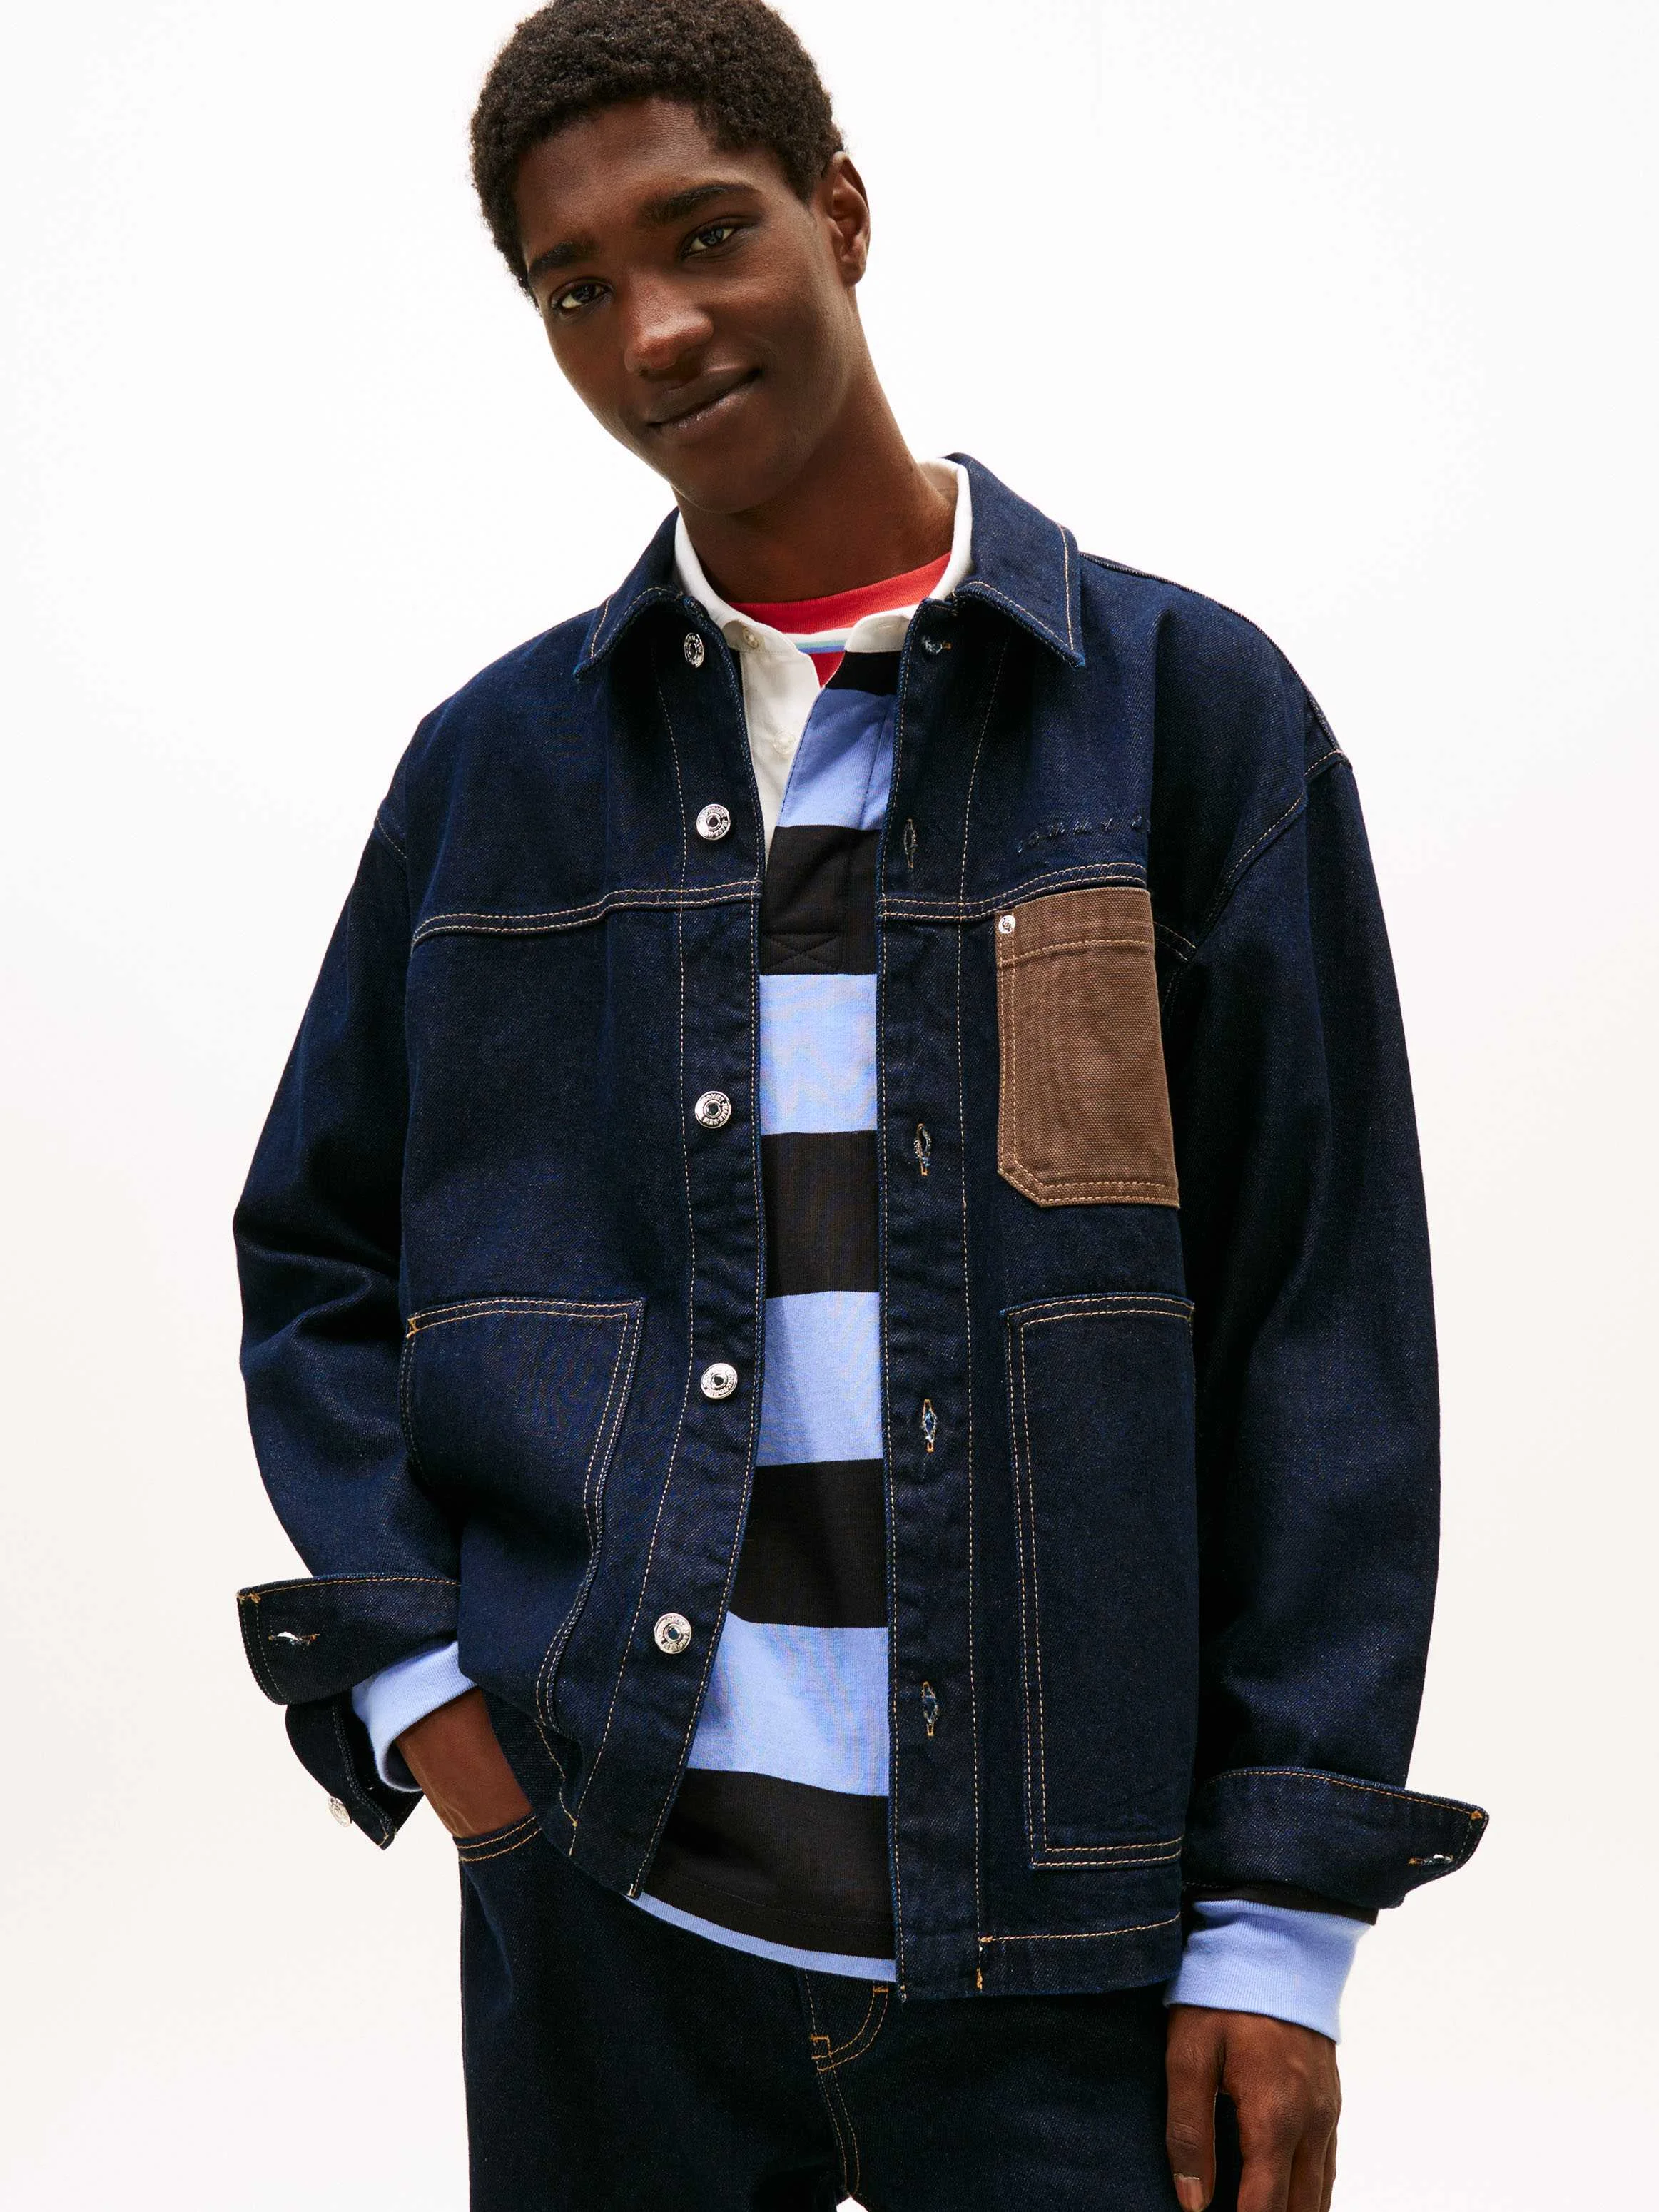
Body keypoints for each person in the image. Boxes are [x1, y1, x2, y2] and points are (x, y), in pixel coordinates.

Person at [233, 4, 1486, 2206]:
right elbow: (320, 1255)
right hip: (612, 1910)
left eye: (703, 233)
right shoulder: (496, 775)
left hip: (1073, 1952)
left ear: (839, 211)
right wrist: (433, 1698)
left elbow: (1320, 1330)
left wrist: (1278, 1933)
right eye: (576, 287)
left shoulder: (1181, 721)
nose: (653, 328)